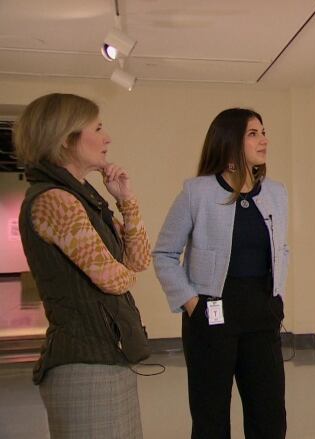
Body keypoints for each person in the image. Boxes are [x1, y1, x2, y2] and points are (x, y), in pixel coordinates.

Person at [14, 93, 151, 438]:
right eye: (98, 128)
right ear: (66, 138)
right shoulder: (56, 201)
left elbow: (138, 260)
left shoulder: (82, 198)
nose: (107, 138)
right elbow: (114, 279)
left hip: (104, 358)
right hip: (83, 367)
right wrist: (121, 270)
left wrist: (126, 200)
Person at [153, 108, 289, 439]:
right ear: (229, 142)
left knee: (270, 417)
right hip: (211, 317)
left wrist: (276, 298)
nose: (264, 139)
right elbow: (165, 254)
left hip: (261, 314)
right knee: (211, 418)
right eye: (253, 133)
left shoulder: (276, 193)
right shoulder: (195, 192)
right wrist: (191, 303)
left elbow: (281, 249)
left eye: (264, 131)